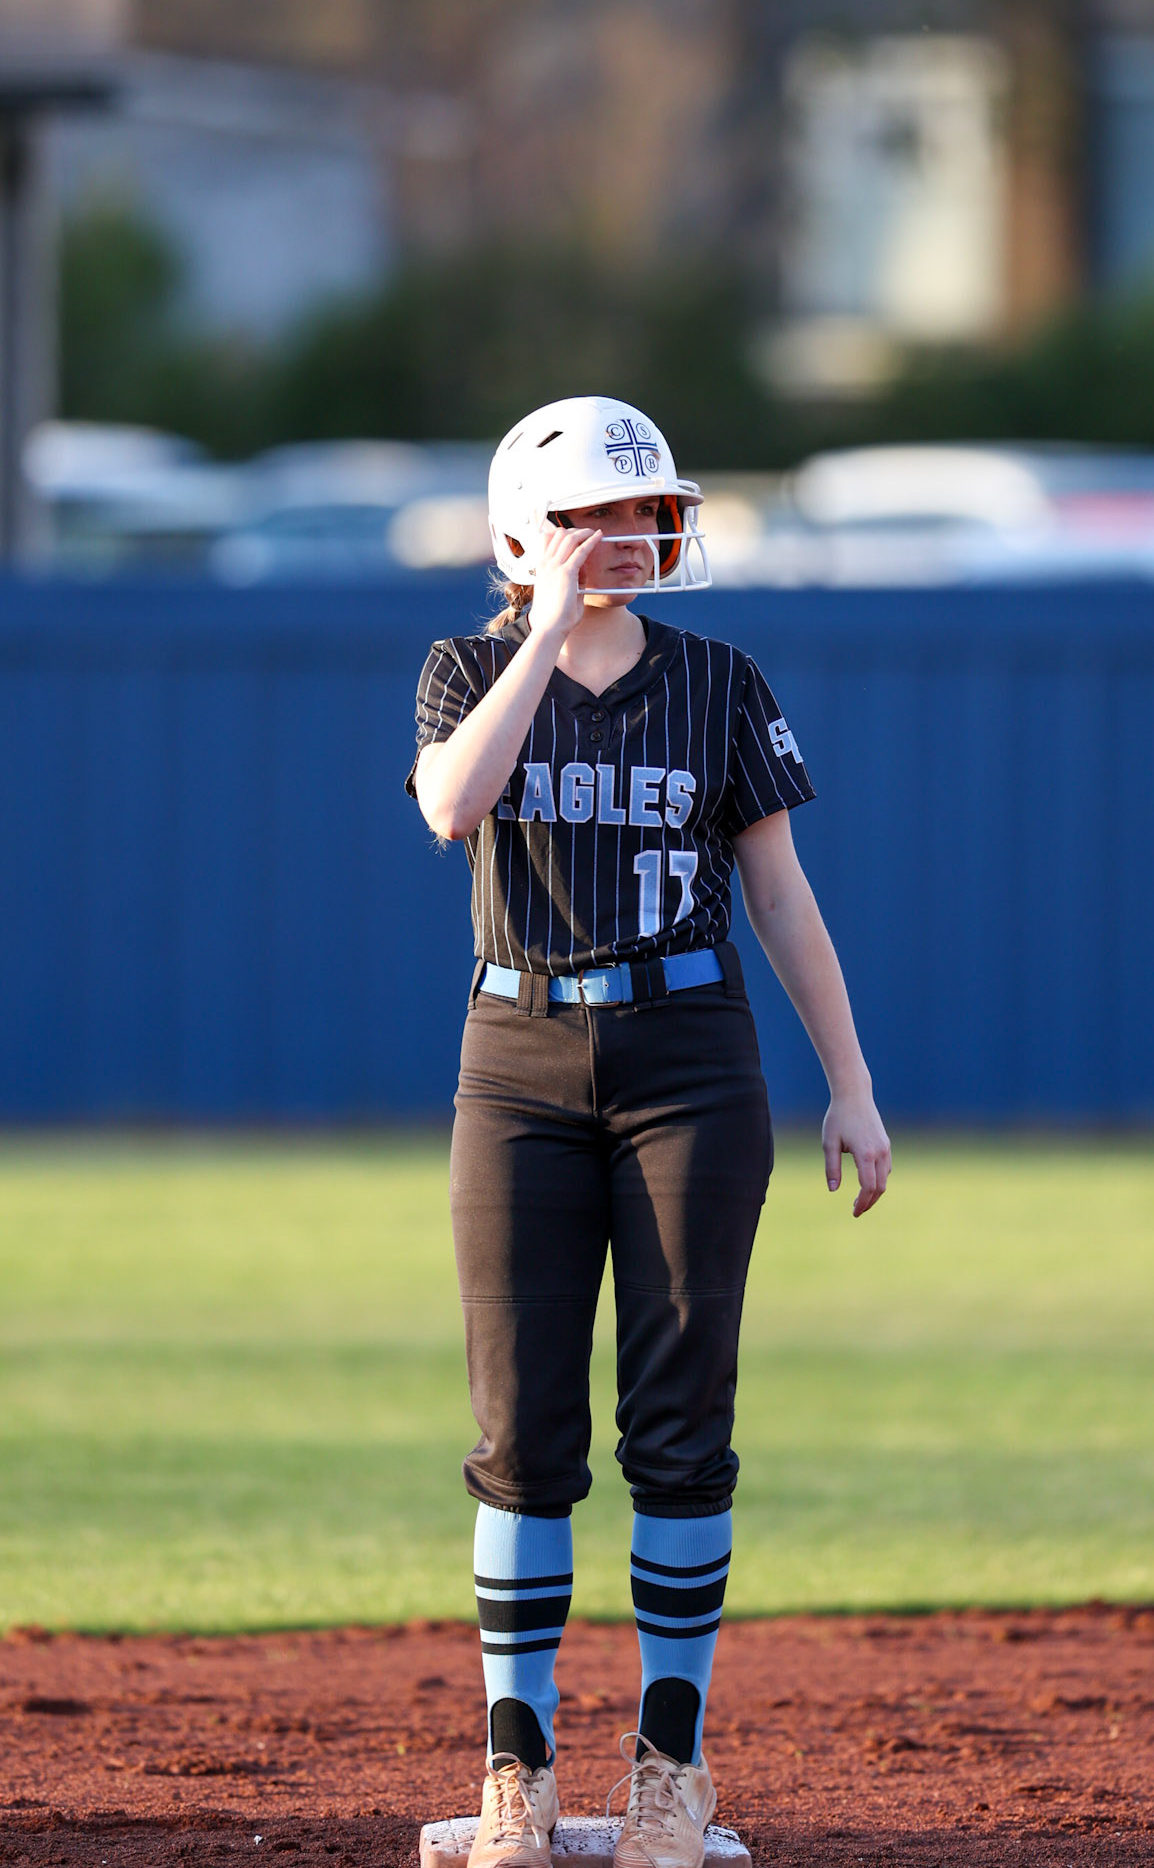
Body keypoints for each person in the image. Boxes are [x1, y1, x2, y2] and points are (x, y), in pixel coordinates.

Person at [407, 396, 890, 1868]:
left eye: (641, 511)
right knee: (521, 1434)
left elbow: (781, 891)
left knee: (682, 1430)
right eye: (588, 517)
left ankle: (671, 1776)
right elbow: (449, 808)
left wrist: (850, 1080)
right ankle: (519, 1779)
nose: (624, 536)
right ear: (515, 535)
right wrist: (540, 632)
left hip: (689, 1054)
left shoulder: (718, 678)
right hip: (519, 1053)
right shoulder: (465, 667)